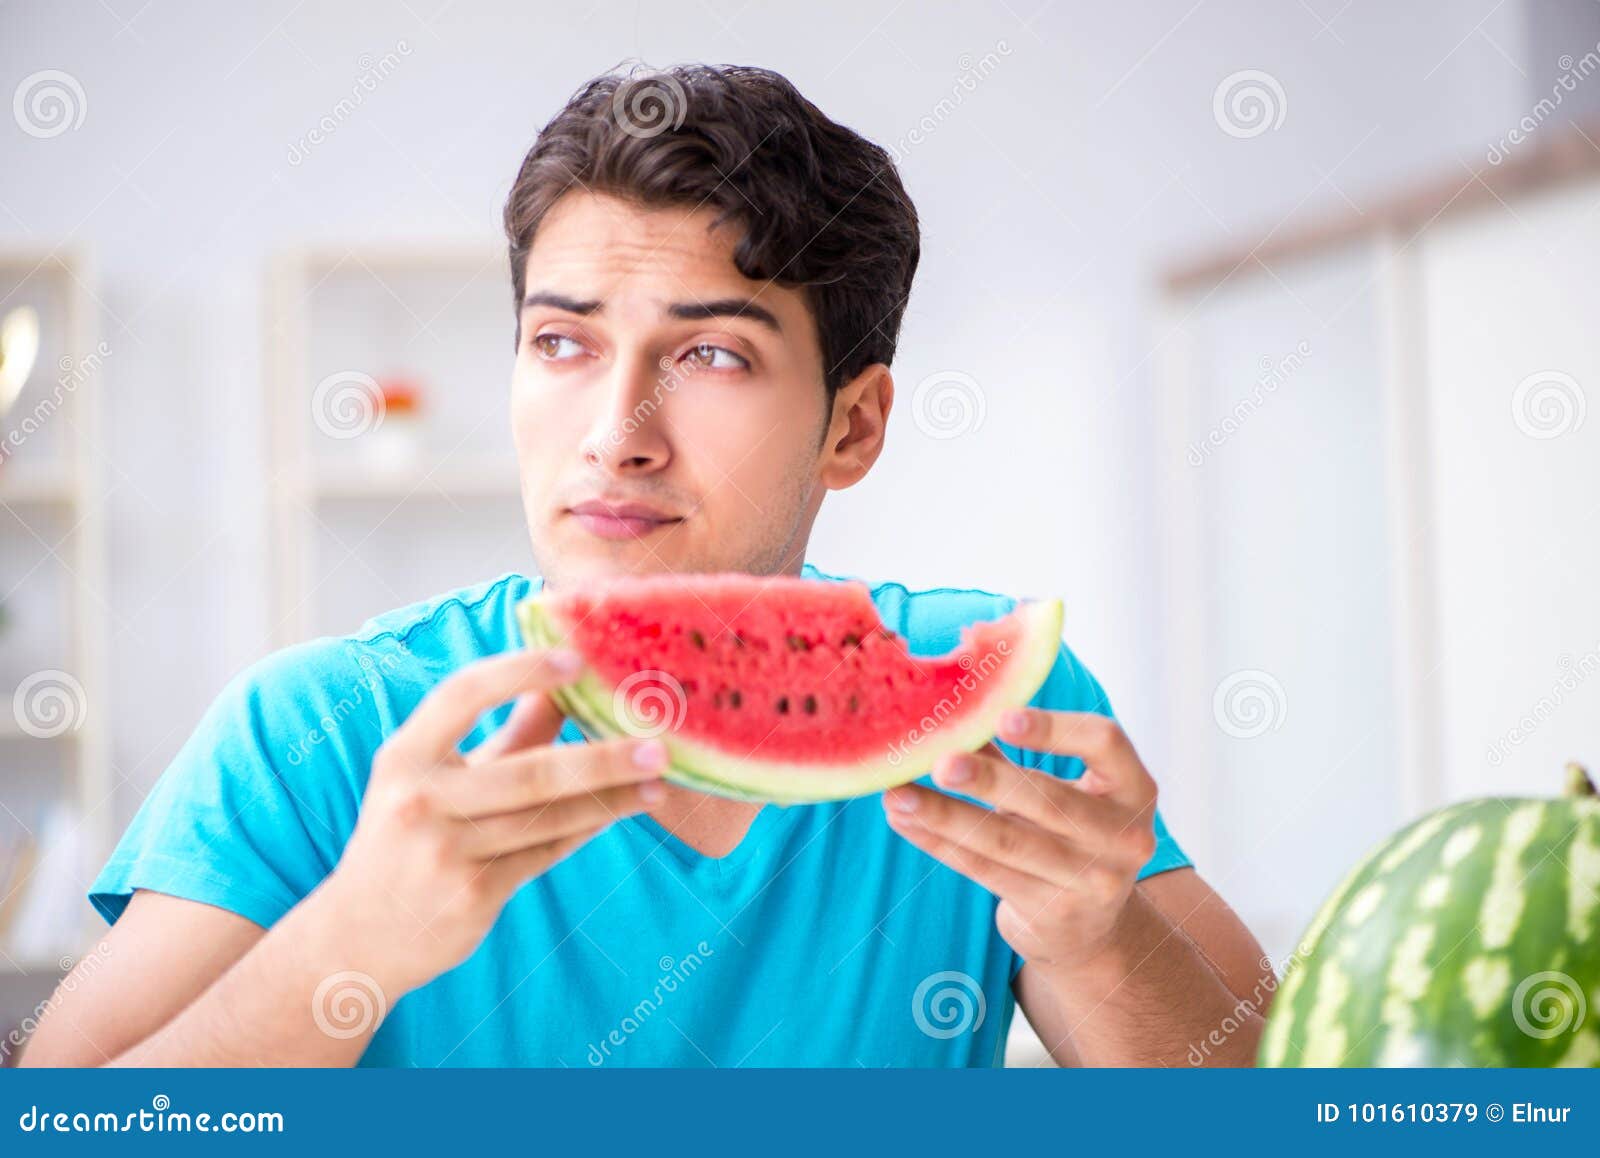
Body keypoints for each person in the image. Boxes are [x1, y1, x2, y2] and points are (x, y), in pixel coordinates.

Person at [23, 64, 1268, 1068]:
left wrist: (1100, 942)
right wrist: (349, 944)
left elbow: (1277, 1106)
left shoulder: (995, 714)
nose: (616, 434)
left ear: (853, 426)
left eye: (710, 356)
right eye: (562, 343)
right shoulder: (321, 729)